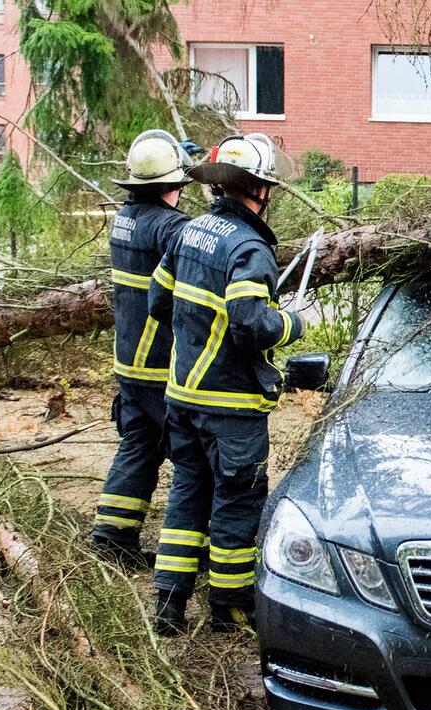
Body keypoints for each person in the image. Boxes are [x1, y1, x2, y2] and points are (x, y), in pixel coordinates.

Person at [147, 133, 304, 635]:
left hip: (181, 401)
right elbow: (250, 324)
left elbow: (157, 304)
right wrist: (294, 323)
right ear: (259, 189)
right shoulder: (250, 249)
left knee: (187, 495)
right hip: (230, 408)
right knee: (236, 503)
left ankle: (168, 606)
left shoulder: (188, 233)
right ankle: (230, 608)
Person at [89, 130, 193, 569]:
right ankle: (191, 550)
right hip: (160, 363)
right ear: (174, 184)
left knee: (140, 442)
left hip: (128, 359)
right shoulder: (171, 227)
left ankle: (112, 535)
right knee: (194, 455)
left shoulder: (126, 218)